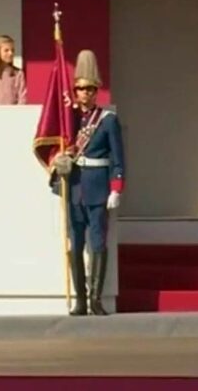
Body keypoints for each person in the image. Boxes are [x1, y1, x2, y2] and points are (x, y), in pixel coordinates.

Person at [52, 49, 124, 316]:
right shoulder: (67, 119)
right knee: (75, 242)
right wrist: (58, 162)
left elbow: (118, 158)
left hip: (97, 188)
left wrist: (116, 187)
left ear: (96, 92)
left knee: (97, 242)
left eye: (90, 89)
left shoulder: (107, 121)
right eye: (80, 89)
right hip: (73, 188)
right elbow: (55, 143)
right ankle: (80, 300)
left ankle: (96, 298)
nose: (84, 94)